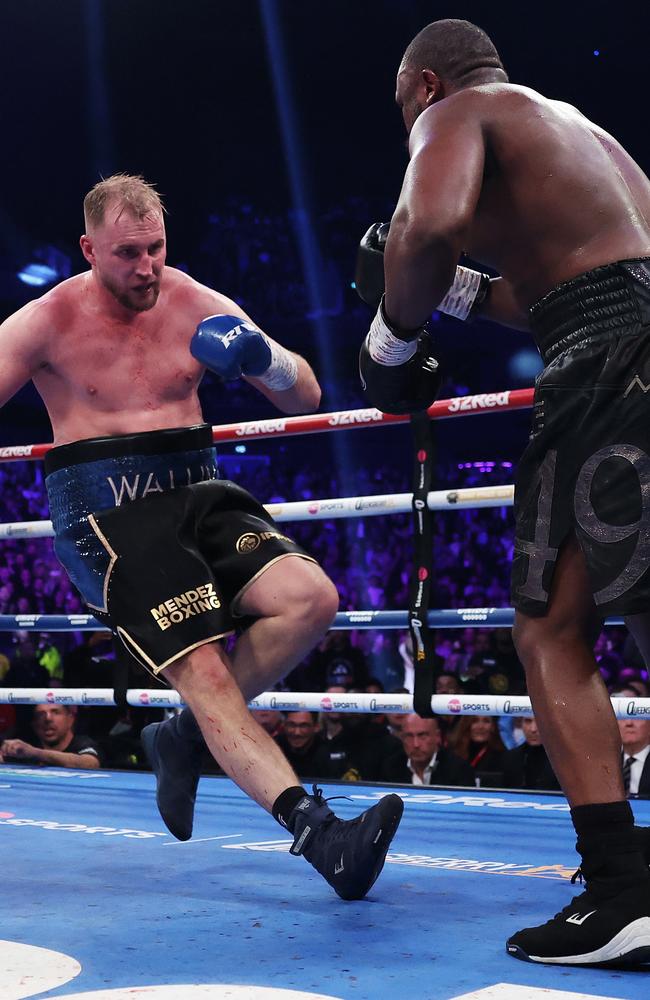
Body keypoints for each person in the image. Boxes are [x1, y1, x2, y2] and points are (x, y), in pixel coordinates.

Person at [0, 173, 403, 901]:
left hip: (198, 491)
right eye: (127, 253)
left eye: (155, 248)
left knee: (310, 598)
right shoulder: (45, 321)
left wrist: (259, 359)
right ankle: (320, 833)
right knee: (205, 670)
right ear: (89, 248)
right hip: (106, 512)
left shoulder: (191, 300)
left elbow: (305, 392)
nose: (146, 267)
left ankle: (182, 737)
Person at [355, 16, 650, 963]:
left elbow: (426, 224)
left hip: (608, 370)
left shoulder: (457, 112)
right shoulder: (583, 135)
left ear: (424, 86)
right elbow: (561, 282)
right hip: (626, 336)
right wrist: (455, 296)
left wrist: (391, 341)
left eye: (407, 109)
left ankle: (621, 895)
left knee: (551, 633)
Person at [381, 713, 474, 787]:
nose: (416, 744)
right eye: (409, 736)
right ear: (402, 738)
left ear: (437, 736)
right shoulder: (391, 767)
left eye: (422, 735)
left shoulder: (458, 769)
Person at [0, 704, 101, 769]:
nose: (48, 719)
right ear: (34, 724)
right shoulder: (23, 748)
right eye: (40, 714)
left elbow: (90, 763)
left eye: (55, 712)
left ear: (71, 719)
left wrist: (35, 753)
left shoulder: (83, 743)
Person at [501, 715, 560, 792]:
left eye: (539, 721)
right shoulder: (511, 757)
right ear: (521, 724)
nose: (533, 729)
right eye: (528, 721)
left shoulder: (564, 760)